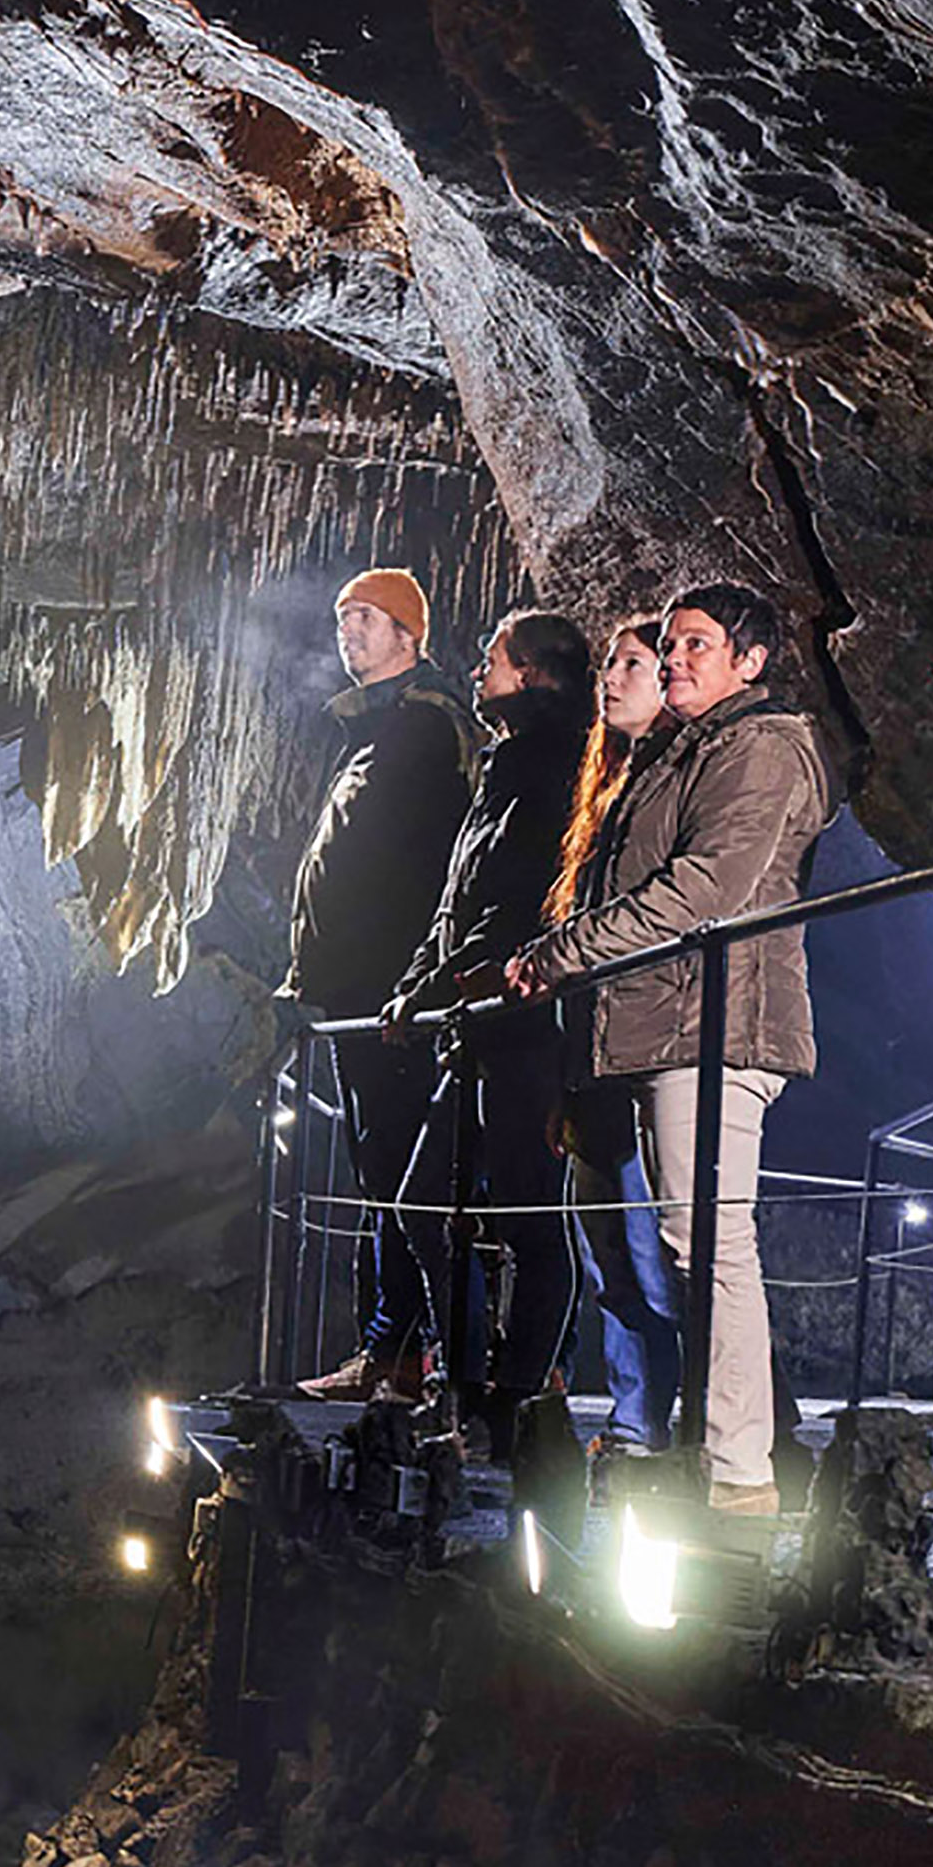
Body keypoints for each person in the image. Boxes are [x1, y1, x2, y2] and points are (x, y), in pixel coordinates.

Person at [509, 584, 834, 1516]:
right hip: (667, 1023)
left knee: (709, 1245)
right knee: (686, 1247)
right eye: (670, 645)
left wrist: (562, 953)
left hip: (718, 1026)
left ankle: (737, 1470)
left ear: (750, 660)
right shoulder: (680, 751)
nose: (674, 658)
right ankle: (717, 1452)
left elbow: (706, 888)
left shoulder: (762, 745)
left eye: (697, 644)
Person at [384, 612, 598, 1459]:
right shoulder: (503, 765)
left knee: (529, 1218)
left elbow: (519, 895)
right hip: (474, 1022)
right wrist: (416, 986)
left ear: (535, 675)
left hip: (523, 1021)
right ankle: (470, 1385)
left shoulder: (552, 765)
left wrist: (445, 983)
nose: (478, 672)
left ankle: (513, 1399)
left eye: (493, 661)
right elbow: (458, 899)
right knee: (424, 1204)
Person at [278, 564, 474, 1400]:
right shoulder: (380, 727)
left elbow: (402, 863)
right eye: (342, 618)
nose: (348, 631)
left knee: (398, 1166)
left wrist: (402, 977)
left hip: (392, 991)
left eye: (366, 617)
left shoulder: (422, 727)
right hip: (364, 985)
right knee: (380, 1168)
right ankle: (393, 1347)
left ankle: (405, 1351)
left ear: (407, 633)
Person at [559, 620, 686, 1456]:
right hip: (593, 1056)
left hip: (651, 1045)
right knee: (610, 1255)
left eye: (632, 664)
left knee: (660, 1258)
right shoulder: (607, 790)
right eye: (609, 662)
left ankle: (738, 1421)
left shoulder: (677, 778)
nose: (610, 677)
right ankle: (635, 1416)